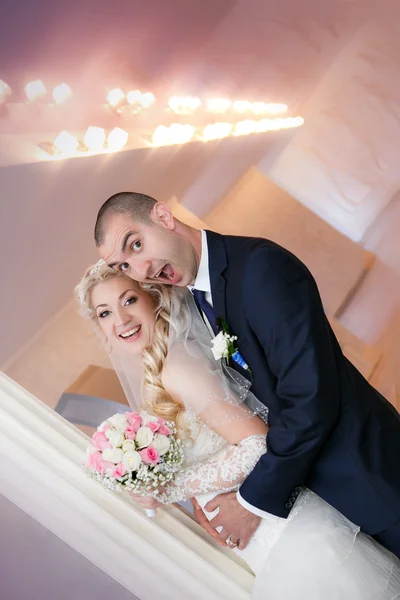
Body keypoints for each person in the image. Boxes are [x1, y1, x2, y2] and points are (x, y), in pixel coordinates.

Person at [93, 191, 400, 559]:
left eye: (137, 244)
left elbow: (310, 398)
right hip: (322, 498)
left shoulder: (259, 268)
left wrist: (252, 502)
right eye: (124, 266)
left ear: (163, 216)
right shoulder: (192, 300)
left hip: (370, 478)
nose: (141, 270)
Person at [75, 262, 400, 599]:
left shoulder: (177, 367)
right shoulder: (162, 369)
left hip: (285, 531)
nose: (121, 320)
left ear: (153, 296)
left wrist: (166, 488)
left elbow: (256, 443)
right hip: (263, 536)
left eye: (128, 301)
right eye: (104, 313)